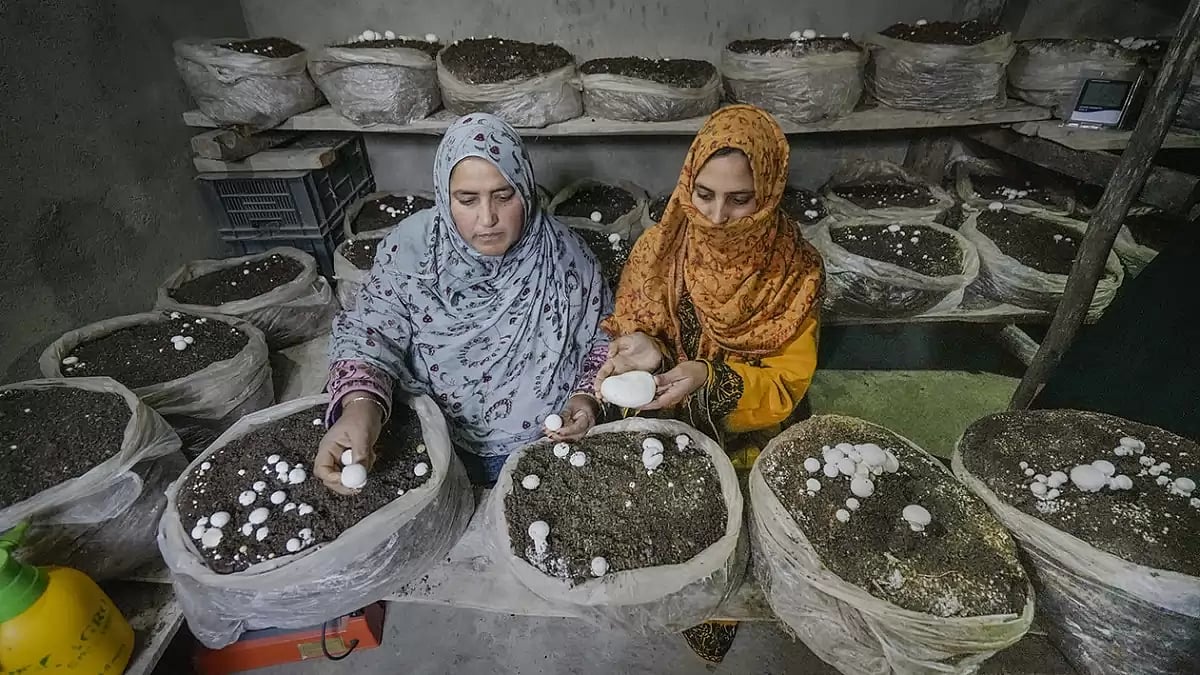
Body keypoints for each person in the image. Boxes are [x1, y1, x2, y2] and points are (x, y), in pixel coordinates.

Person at [595, 104, 824, 662]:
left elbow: (785, 384)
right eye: (704, 194)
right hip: (666, 416)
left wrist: (709, 377)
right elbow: (637, 323)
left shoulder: (795, 271)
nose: (717, 216)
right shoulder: (658, 250)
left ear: (768, 192)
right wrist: (647, 348)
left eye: (739, 198)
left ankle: (718, 603)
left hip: (752, 427)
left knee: (738, 542)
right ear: (686, 183)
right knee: (659, 528)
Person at [314, 113, 611, 490]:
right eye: (467, 199)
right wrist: (360, 407)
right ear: (443, 194)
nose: (487, 218)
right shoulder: (412, 254)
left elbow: (603, 337)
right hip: (434, 446)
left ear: (526, 188)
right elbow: (371, 332)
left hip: (546, 449)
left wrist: (585, 399)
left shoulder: (566, 258)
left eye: (504, 196)